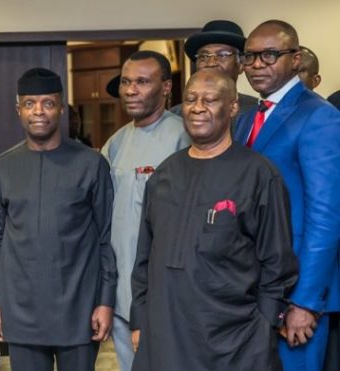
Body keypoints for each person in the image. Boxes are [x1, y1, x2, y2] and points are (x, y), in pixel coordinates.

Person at [130, 69, 298, 370]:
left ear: (232, 107)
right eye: (191, 99)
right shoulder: (164, 174)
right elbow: (145, 257)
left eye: (210, 100)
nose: (197, 107)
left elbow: (278, 262)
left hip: (235, 341)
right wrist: (140, 319)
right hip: (164, 336)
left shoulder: (259, 175)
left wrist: (264, 326)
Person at [0, 67, 117, 371]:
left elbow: (105, 237)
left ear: (60, 107)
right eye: (30, 103)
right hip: (22, 309)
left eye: (47, 103)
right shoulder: (3, 167)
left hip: (79, 306)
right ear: (18, 109)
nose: (38, 112)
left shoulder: (91, 164)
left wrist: (105, 300)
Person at [234, 20, 340, 371]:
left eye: (270, 55)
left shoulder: (320, 117)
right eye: (250, 56)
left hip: (296, 293)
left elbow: (326, 216)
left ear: (295, 59)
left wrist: (306, 303)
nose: (257, 64)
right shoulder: (246, 119)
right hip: (253, 289)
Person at [101, 50, 189, 371]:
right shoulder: (114, 143)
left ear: (166, 88)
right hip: (123, 293)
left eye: (141, 82)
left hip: (166, 292)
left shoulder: (185, 137)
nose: (130, 90)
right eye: (126, 82)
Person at [170, 20, 258, 133]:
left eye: (222, 55)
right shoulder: (176, 116)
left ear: (241, 64)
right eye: (204, 56)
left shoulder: (256, 112)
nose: (211, 63)